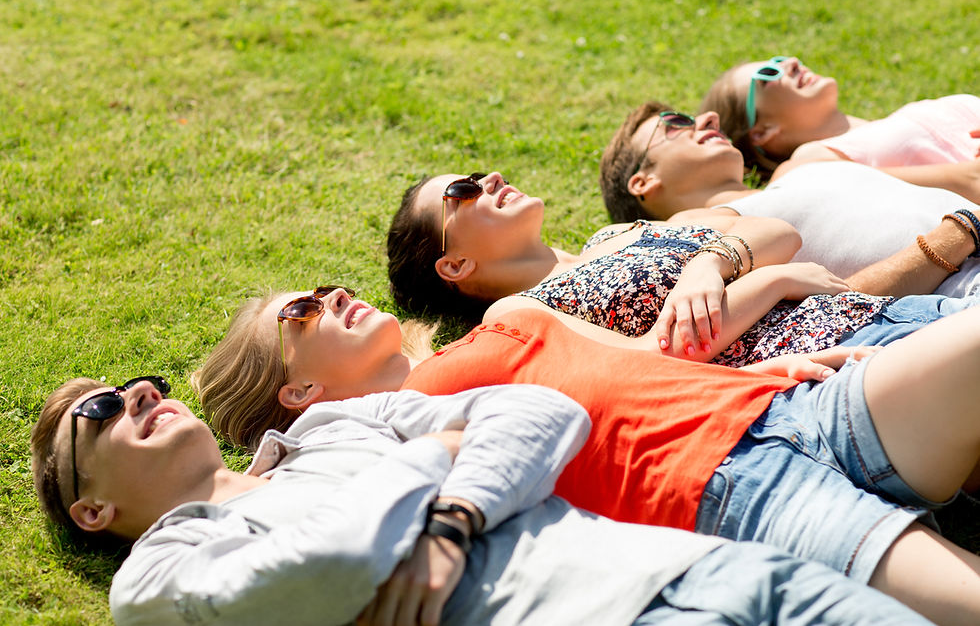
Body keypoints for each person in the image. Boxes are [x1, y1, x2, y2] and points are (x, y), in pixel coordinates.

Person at [193, 283, 980, 624]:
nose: (329, 297)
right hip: (725, 493)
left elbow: (642, 355)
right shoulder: (384, 441)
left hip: (790, 408)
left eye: (322, 290)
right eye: (299, 314)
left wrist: (755, 369)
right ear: (292, 392)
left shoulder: (506, 315)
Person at [30, 380, 924, 626]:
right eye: (103, 411)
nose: (140, 397)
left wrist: (452, 522)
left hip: (710, 566)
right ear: (91, 509)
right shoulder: (154, 578)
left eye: (141, 385)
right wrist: (439, 451)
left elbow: (543, 410)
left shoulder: (335, 424)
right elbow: (320, 566)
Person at [385, 168, 976, 363]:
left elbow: (775, 231)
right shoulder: (522, 312)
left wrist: (709, 267)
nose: (488, 178)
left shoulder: (619, 233)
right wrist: (767, 280)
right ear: (454, 265)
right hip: (831, 356)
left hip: (875, 311)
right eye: (461, 192)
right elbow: (657, 360)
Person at [600, 100, 980, 298]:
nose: (708, 119)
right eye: (676, 124)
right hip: (960, 290)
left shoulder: (796, 169)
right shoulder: (687, 232)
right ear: (643, 182)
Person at [698, 55, 980, 192]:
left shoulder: (903, 116)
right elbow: (970, 181)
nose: (792, 62)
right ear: (762, 131)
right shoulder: (811, 161)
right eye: (769, 74)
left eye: (782, 59)